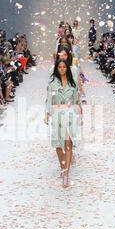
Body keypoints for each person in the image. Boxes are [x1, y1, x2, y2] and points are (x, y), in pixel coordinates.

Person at [44, 58, 80, 188]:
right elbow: (48, 99)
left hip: (69, 114)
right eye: (59, 67)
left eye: (64, 67)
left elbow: (76, 100)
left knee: (68, 142)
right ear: (56, 68)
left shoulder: (73, 83)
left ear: (67, 68)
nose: (62, 69)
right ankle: (62, 167)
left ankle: (66, 174)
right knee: (59, 144)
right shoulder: (52, 82)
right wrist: (47, 114)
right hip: (57, 114)